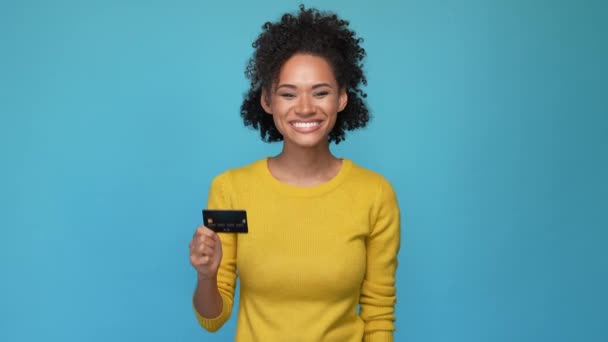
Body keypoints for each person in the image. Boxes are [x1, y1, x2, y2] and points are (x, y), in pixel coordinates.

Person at [189, 5, 401, 341]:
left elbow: (378, 314)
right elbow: (212, 320)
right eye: (288, 94)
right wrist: (206, 276)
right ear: (268, 101)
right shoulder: (230, 189)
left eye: (321, 92)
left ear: (342, 98)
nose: (304, 107)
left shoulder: (374, 194)